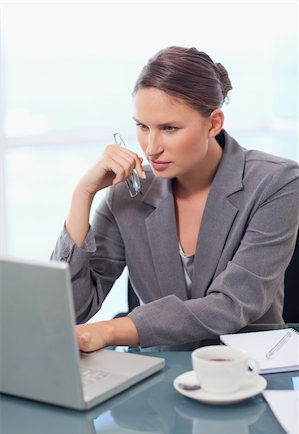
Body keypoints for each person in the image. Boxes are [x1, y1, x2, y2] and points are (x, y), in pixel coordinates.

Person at [51, 46, 299, 353]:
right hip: (159, 377)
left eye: (169, 128)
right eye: (142, 126)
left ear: (213, 123)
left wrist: (112, 330)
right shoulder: (129, 190)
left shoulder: (277, 181)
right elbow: (70, 311)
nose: (151, 148)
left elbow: (233, 305)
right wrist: (82, 195)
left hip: (249, 372)